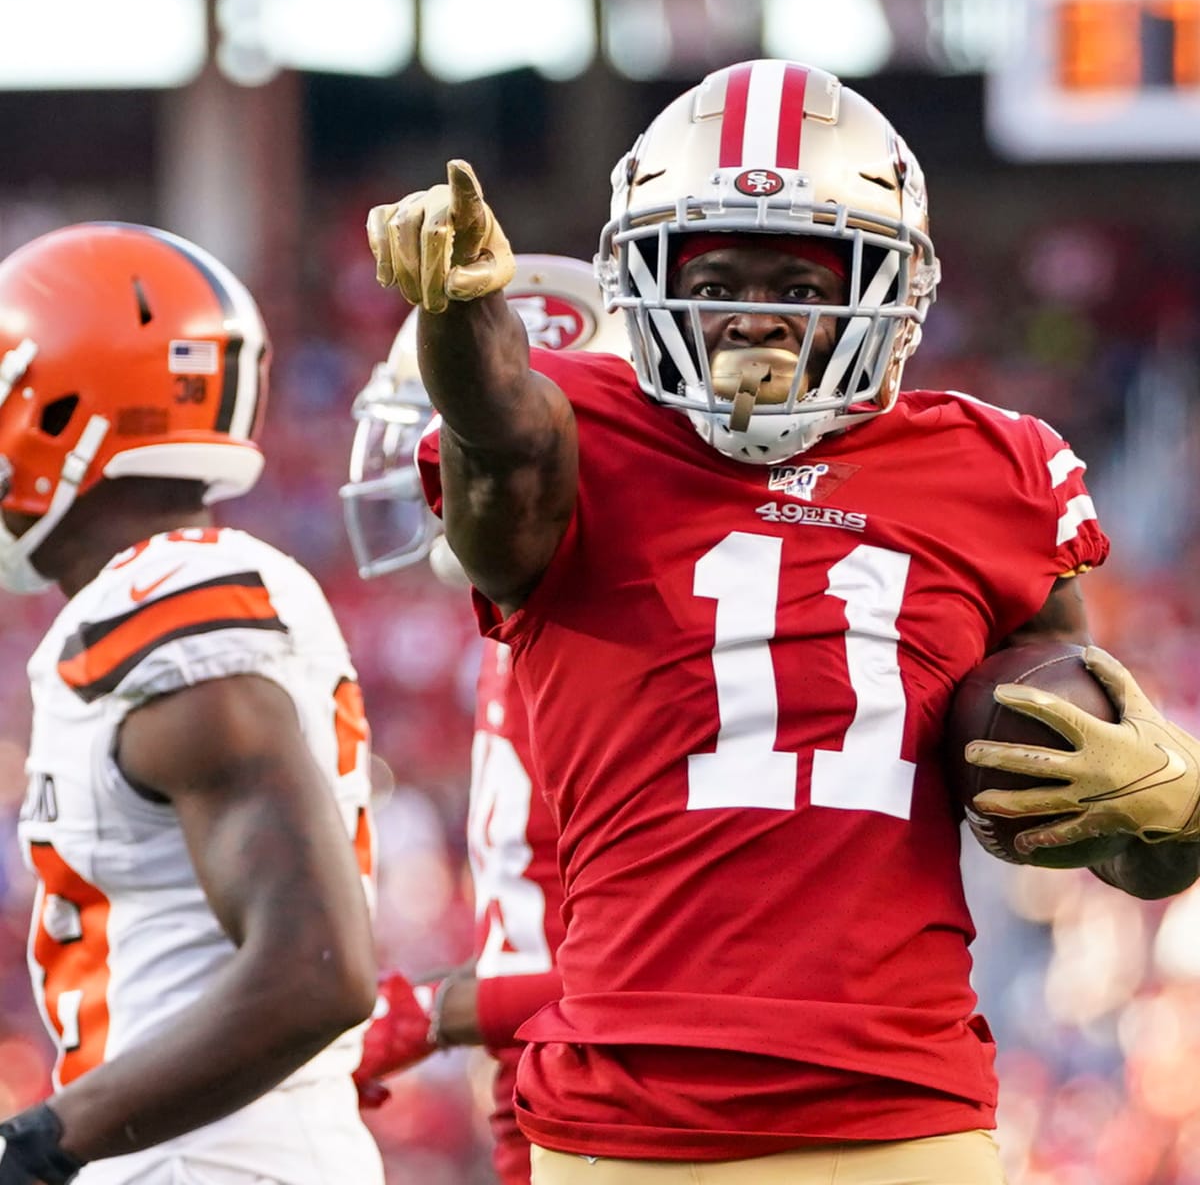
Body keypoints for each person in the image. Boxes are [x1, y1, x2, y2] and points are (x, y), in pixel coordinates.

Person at [365, 60, 1200, 1184]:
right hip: (620, 1111)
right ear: (643, 284)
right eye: (713, 275)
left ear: (886, 289)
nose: (753, 313)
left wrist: (1173, 813)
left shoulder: (996, 471)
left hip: (902, 1108)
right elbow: (499, 450)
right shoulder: (585, 439)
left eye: (802, 284)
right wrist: (461, 319)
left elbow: (1108, 826)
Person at [0, 223, 384, 1185]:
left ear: (58, 413)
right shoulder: (182, 586)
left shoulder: (168, 604)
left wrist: (43, 1142)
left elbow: (318, 969)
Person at [342, 255, 629, 1185]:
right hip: (552, 1097)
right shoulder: (516, 635)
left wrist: (430, 1010)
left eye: (459, 436)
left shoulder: (626, 647)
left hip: (622, 1118)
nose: (423, 474)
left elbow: (669, 960)